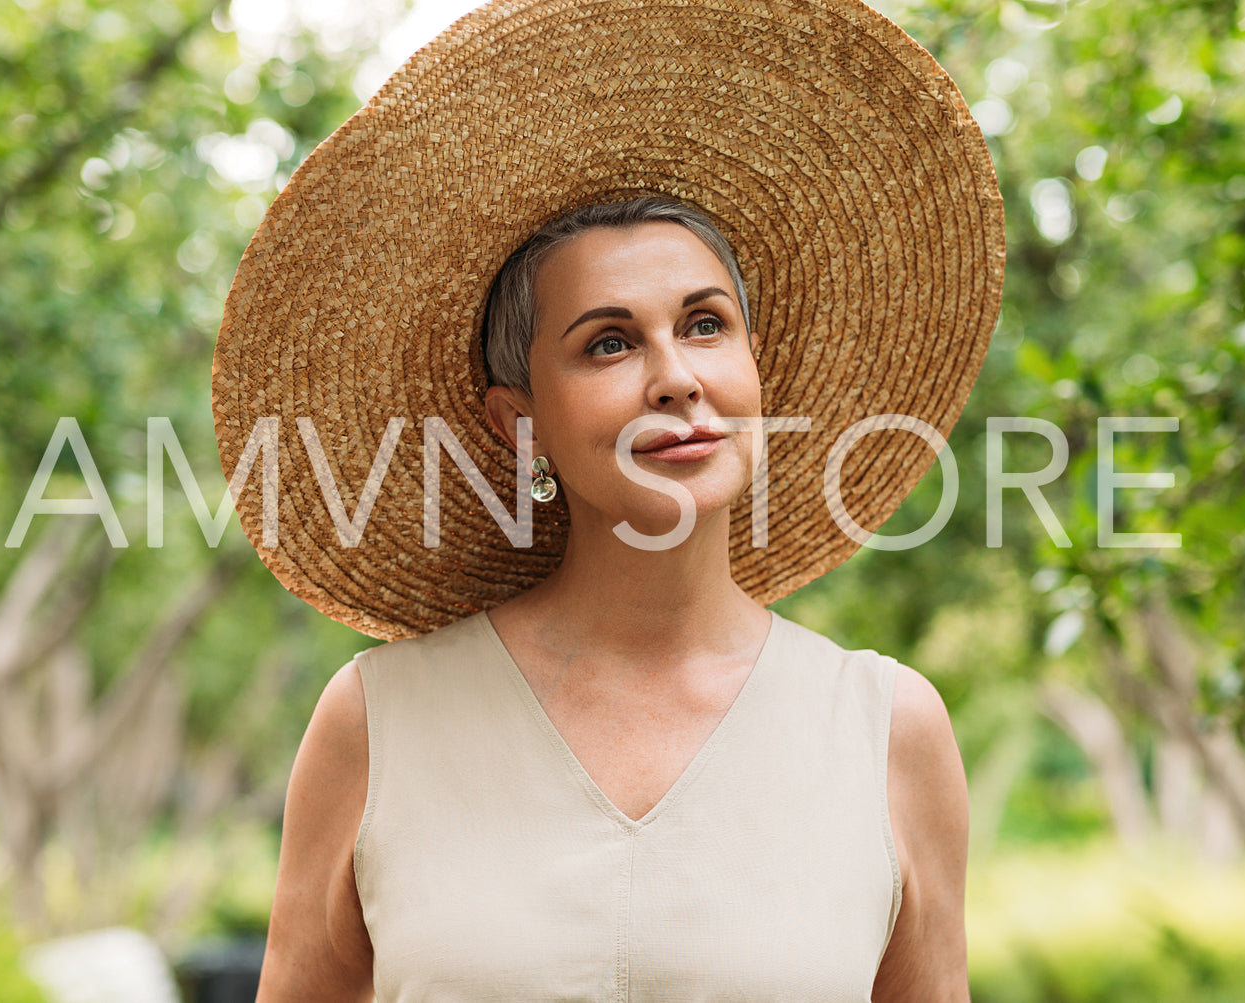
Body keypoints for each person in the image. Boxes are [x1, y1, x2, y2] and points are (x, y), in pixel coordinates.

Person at [211, 1, 1005, 999]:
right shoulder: (379, 721)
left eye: (705, 324)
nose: (674, 376)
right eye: (608, 342)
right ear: (521, 424)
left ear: (755, 375)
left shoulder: (885, 728)